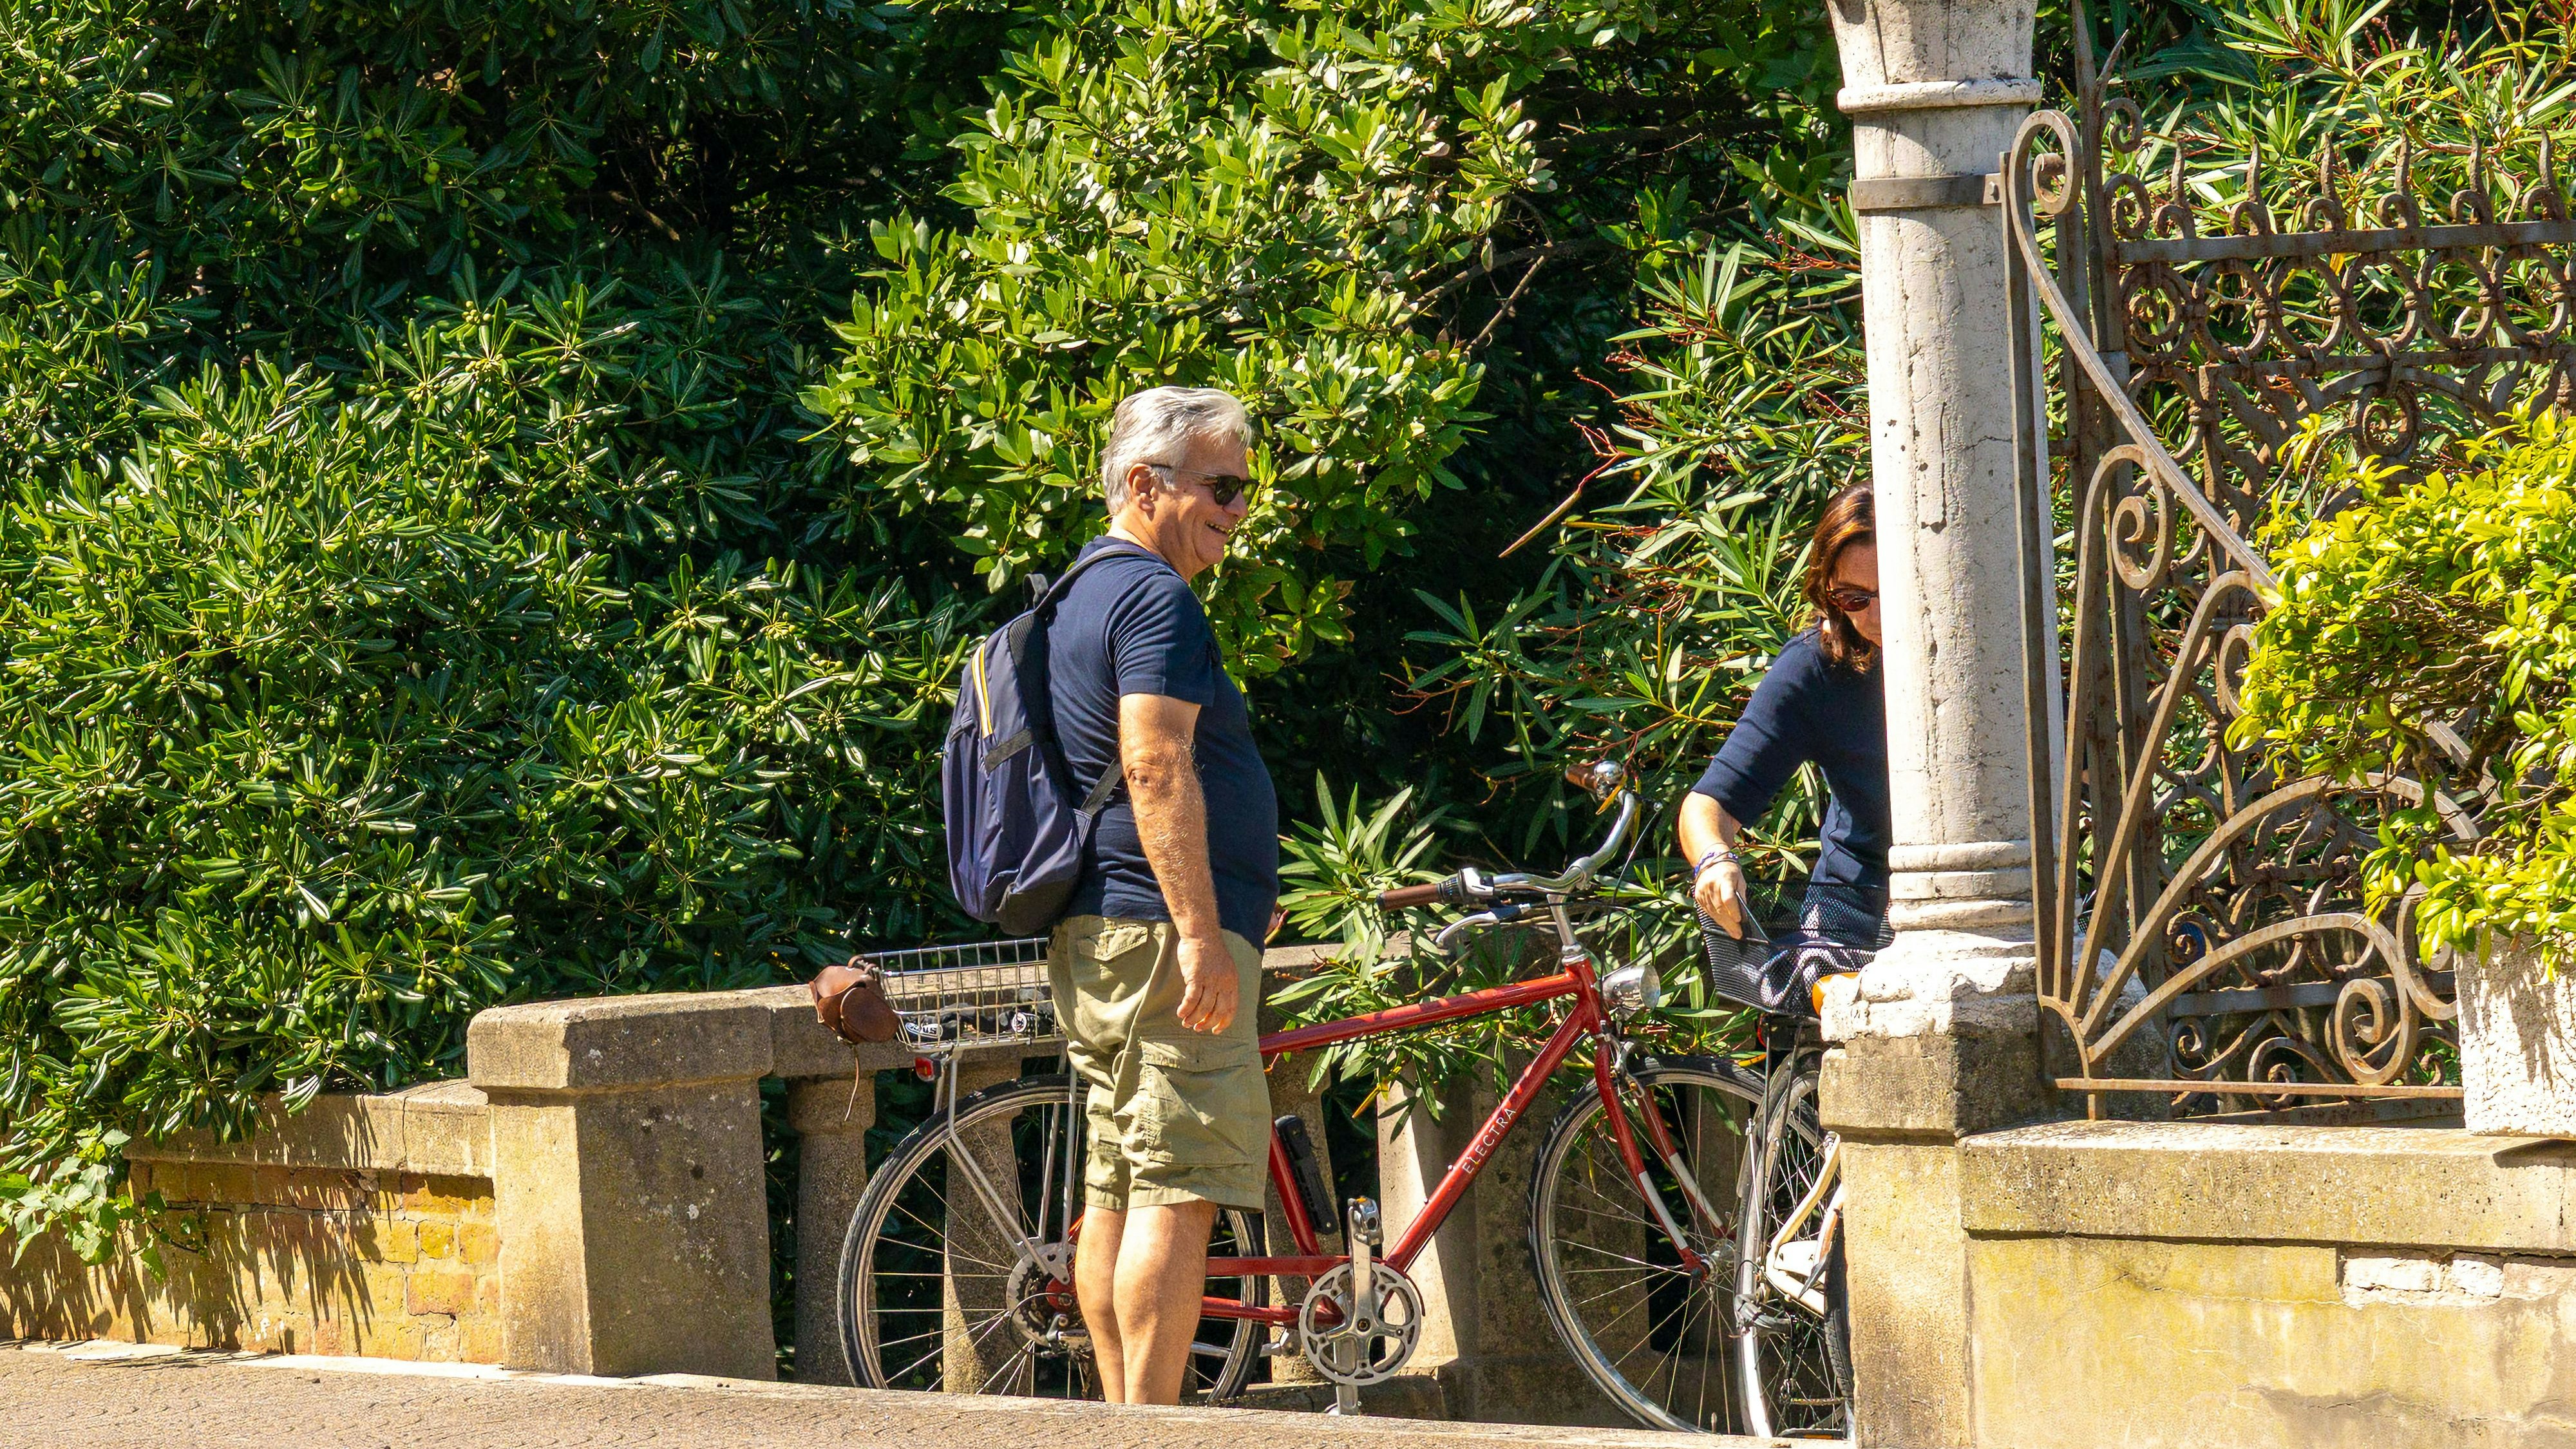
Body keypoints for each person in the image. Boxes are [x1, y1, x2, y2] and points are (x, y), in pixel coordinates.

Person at [1043, 386, 1278, 1406]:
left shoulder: (1074, 592)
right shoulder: (1154, 598)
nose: (1238, 507)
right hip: (1156, 935)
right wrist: (1200, 931)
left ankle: (1121, 1418)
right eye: (1222, 485)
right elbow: (1153, 761)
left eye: (1245, 487)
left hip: (1098, 930)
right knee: (1179, 1187)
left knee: (1116, 1188)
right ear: (1146, 483)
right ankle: (1154, 1426)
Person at [1676, 482, 1891, 949]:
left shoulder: (1992, 643)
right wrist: (1714, 861)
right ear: (1828, 593)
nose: (1875, 616)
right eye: (1854, 599)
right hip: (1856, 914)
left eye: (1892, 590)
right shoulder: (1816, 667)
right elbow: (1707, 806)